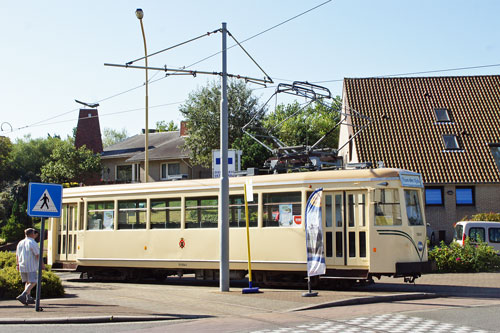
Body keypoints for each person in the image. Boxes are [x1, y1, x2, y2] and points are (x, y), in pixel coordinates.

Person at [15, 228, 43, 305]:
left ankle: (28, 297)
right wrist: (42, 265)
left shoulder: (20, 242)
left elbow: (17, 255)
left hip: (22, 265)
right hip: (31, 265)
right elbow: (37, 255)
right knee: (34, 281)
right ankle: (23, 295)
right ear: (32, 234)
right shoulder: (32, 242)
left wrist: (17, 264)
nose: (36, 234)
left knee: (27, 282)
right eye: (35, 233)